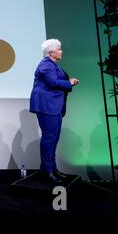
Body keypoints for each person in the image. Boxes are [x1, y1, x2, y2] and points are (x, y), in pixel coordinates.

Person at [29, 39, 79, 183]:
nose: (61, 51)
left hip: (54, 105)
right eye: (59, 49)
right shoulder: (45, 65)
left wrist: (69, 81)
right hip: (46, 105)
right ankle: (48, 171)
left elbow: (57, 81)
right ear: (51, 52)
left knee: (54, 137)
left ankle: (50, 168)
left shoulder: (53, 65)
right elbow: (52, 82)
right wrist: (69, 83)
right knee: (49, 137)